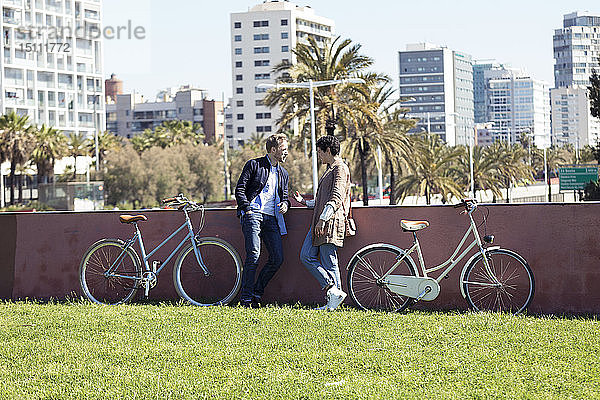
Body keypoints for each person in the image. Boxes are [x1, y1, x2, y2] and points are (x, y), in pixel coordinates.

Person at [295, 135, 350, 311]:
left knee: (329, 261)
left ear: (328, 150)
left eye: (320, 152)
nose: (318, 156)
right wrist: (304, 202)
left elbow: (336, 197)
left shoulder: (339, 169)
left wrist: (323, 219)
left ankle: (334, 300)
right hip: (320, 222)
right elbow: (322, 200)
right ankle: (334, 292)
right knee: (306, 255)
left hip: (329, 222)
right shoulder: (331, 169)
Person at [235, 134, 290, 307]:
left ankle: (257, 293)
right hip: (253, 215)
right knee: (254, 255)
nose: (286, 153)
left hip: (272, 218)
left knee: (277, 258)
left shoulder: (283, 173)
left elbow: (286, 197)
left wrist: (286, 205)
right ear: (273, 150)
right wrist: (247, 209)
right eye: (283, 149)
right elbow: (240, 189)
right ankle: (245, 298)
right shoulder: (254, 165)